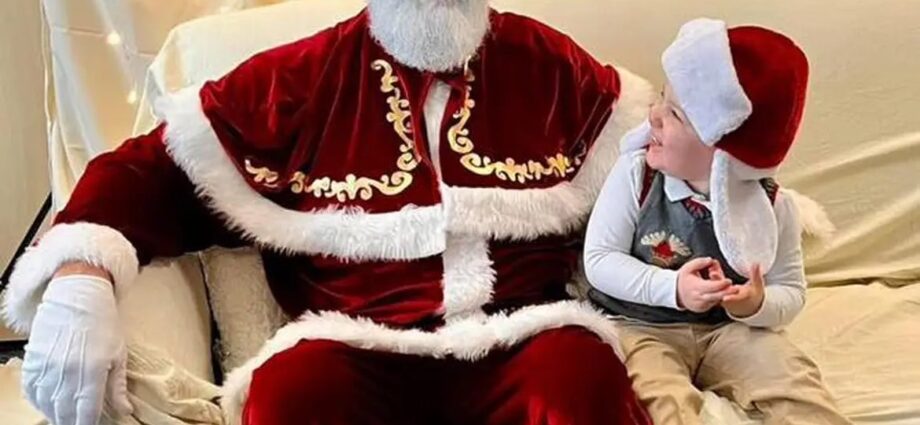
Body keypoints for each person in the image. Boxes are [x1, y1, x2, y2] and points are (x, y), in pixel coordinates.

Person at [2, 1, 656, 424]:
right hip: (355, 344)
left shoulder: (549, 65)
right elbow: (152, 167)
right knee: (294, 392)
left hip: (527, 338)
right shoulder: (302, 77)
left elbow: (655, 166)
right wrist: (83, 273)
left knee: (582, 380)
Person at [584, 17, 851, 425]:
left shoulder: (770, 206)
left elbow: (791, 292)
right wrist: (674, 287)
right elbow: (599, 260)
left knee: (793, 382)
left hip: (726, 330)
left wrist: (756, 304)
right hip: (640, 325)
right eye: (660, 97)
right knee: (657, 399)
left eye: (674, 113)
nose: (653, 115)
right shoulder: (637, 174)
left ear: (725, 153)